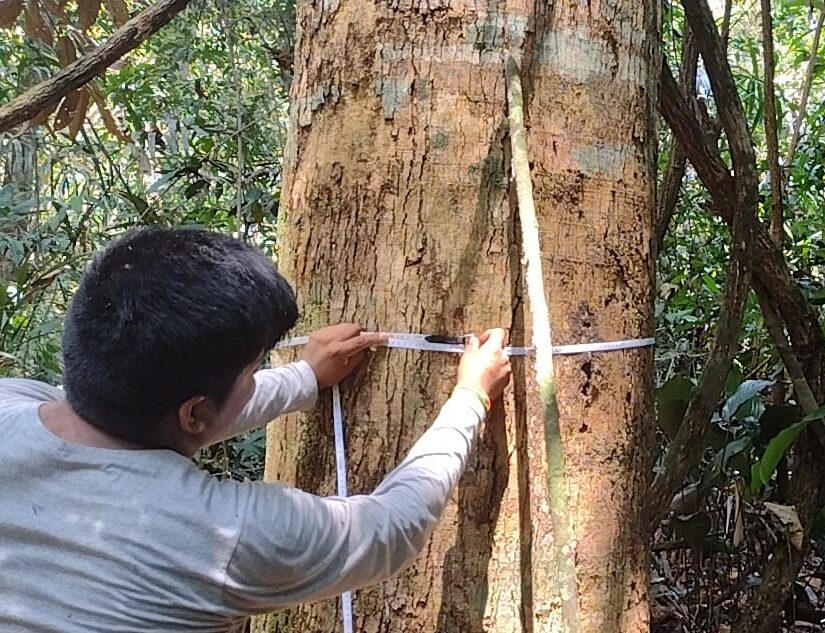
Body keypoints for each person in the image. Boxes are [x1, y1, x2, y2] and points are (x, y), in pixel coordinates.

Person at [0, 227, 512, 632]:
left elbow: (168, 419)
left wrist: (304, 376)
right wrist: (470, 396)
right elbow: (390, 528)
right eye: (252, 370)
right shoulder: (225, 535)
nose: (256, 377)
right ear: (195, 413)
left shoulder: (12, 405)